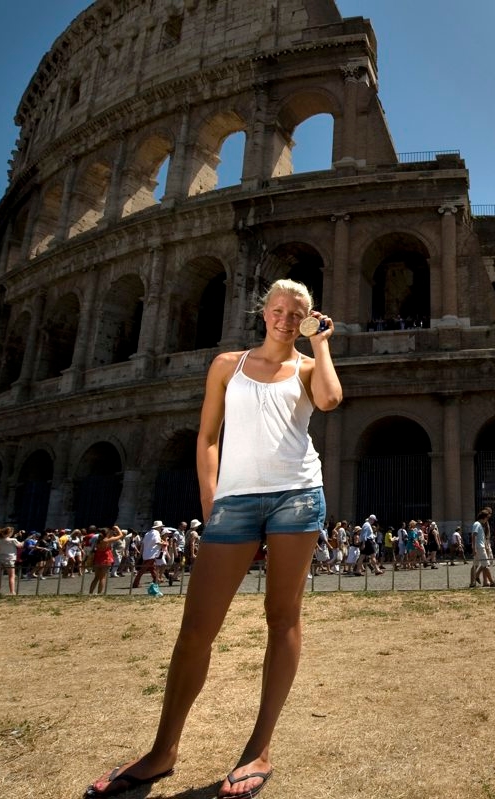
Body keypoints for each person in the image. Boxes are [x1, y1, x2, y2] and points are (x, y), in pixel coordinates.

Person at [84, 279, 340, 799]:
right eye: (278, 309)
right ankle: (162, 751)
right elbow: (207, 437)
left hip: (296, 495)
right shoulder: (228, 365)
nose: (285, 319)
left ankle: (258, 749)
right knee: (196, 628)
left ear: (309, 318)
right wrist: (211, 500)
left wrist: (323, 343)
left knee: (283, 616)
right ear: (262, 313)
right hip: (235, 503)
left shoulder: (310, 365)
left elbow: (331, 400)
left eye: (298, 313)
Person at [89, 526, 124, 594]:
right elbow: (120, 535)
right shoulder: (107, 540)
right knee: (103, 578)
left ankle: (90, 593)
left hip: (97, 559)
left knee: (96, 577)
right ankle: (99, 593)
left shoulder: (98, 540)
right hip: (105, 559)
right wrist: (117, 528)